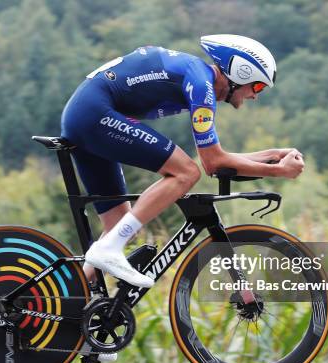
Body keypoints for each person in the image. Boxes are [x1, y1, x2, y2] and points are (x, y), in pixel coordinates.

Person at [61, 34, 304, 291]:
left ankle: (69, 299)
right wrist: (277, 171)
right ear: (239, 73)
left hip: (89, 116)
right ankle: (108, 249)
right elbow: (211, 163)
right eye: (257, 87)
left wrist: (273, 155)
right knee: (186, 172)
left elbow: (215, 155)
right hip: (93, 115)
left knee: (120, 228)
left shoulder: (198, 78)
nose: (256, 96)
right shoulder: (201, 84)